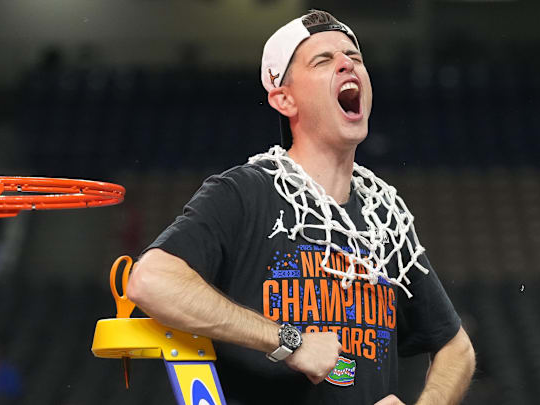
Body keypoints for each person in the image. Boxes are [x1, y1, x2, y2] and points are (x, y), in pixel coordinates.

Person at [128, 10, 475, 405]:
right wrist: (287, 340)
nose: (348, 63)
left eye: (354, 57)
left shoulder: (385, 217)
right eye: (323, 60)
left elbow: (456, 348)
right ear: (284, 98)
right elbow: (150, 280)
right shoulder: (246, 191)